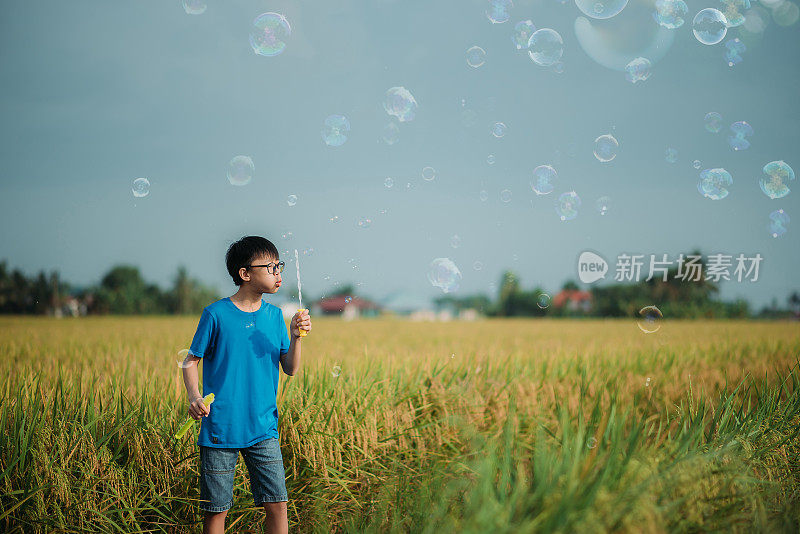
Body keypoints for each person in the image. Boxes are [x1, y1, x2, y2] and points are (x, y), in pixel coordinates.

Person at [180, 235, 311, 534]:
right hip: (220, 427)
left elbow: (290, 368)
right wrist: (194, 395)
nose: (278, 274)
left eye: (280, 266)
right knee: (216, 511)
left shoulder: (276, 316)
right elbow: (190, 361)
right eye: (271, 267)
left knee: (277, 504)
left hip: (263, 427)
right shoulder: (216, 314)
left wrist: (295, 337)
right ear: (245, 273)